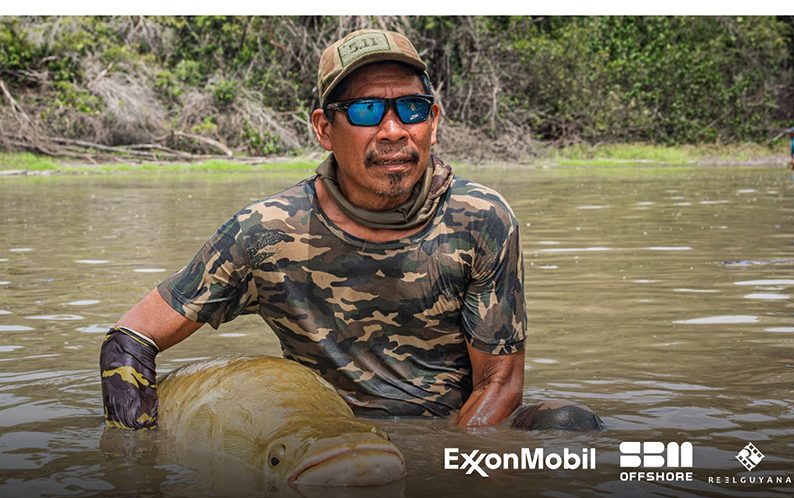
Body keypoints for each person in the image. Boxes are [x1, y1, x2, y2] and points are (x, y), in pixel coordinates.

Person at [101, 28, 589, 433]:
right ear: (324, 128)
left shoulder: (481, 219)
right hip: (326, 439)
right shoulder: (266, 232)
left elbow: (498, 385)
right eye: (366, 111)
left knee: (570, 425)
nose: (394, 130)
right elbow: (129, 338)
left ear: (433, 122)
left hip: (457, 424)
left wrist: (447, 469)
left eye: (412, 109)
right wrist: (139, 455)